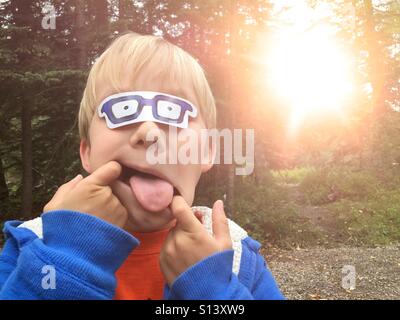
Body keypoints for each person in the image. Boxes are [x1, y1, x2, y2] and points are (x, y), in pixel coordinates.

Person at [0, 33, 284, 300]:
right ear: (87, 152)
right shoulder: (33, 244)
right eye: (123, 110)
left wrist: (212, 290)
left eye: (173, 113)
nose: (150, 133)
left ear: (207, 150)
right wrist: (69, 258)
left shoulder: (235, 258)